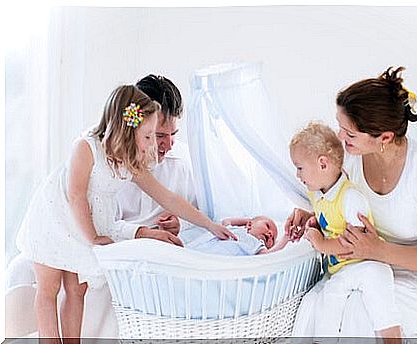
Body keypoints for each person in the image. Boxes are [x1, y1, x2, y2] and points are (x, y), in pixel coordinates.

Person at [15, 85, 236, 342]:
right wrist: (94, 238)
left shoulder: (130, 161)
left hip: (83, 223)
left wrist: (210, 225)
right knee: (49, 288)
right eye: (149, 136)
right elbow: (75, 195)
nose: (153, 144)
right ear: (127, 129)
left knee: (77, 290)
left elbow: (167, 197)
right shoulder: (86, 148)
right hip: (55, 217)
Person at [286, 67, 417, 338]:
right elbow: (337, 203)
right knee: (314, 304)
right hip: (360, 265)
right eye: (340, 128)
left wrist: (377, 250)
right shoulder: (349, 160)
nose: (340, 139)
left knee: (356, 311)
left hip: (415, 277)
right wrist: (314, 216)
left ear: (384, 138)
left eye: (349, 134)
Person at [289, 121, 401, 340]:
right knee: (327, 303)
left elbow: (355, 241)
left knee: (382, 306)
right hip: (343, 270)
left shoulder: (350, 197)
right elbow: (329, 221)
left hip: (367, 264)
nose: (297, 174)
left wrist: (321, 244)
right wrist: (312, 221)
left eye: (300, 167)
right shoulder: (317, 194)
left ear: (323, 164)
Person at [113, 74, 197, 246]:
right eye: (159, 135)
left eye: (173, 134)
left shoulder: (183, 162)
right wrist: (141, 233)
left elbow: (203, 215)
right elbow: (98, 224)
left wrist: (181, 223)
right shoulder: (110, 165)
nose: (168, 145)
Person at [186, 216, 289, 255]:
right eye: (267, 225)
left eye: (273, 238)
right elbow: (227, 220)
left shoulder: (256, 244)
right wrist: (249, 221)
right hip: (195, 248)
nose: (270, 233)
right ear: (249, 224)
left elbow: (268, 254)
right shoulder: (233, 229)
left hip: (212, 258)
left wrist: (286, 238)